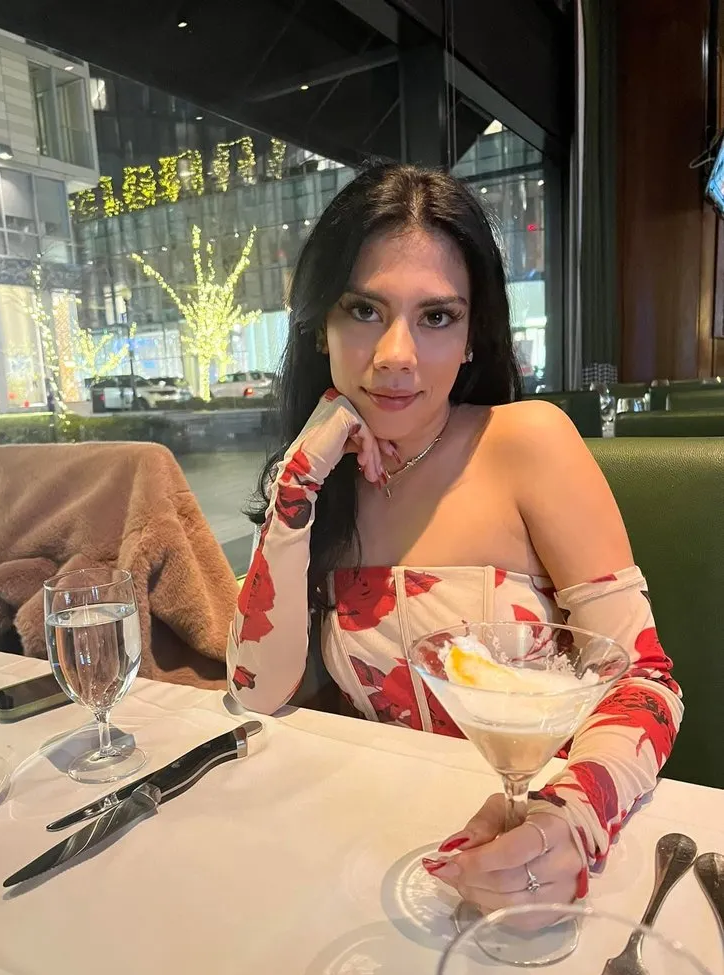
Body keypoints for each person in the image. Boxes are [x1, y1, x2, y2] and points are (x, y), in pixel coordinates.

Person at [226, 163, 682, 918]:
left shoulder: (528, 443)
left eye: (437, 317)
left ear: (474, 337)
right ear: (318, 326)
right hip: (371, 854)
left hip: (542, 845)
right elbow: (255, 694)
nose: (396, 354)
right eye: (364, 309)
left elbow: (647, 683)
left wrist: (569, 820)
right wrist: (296, 488)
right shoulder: (324, 482)